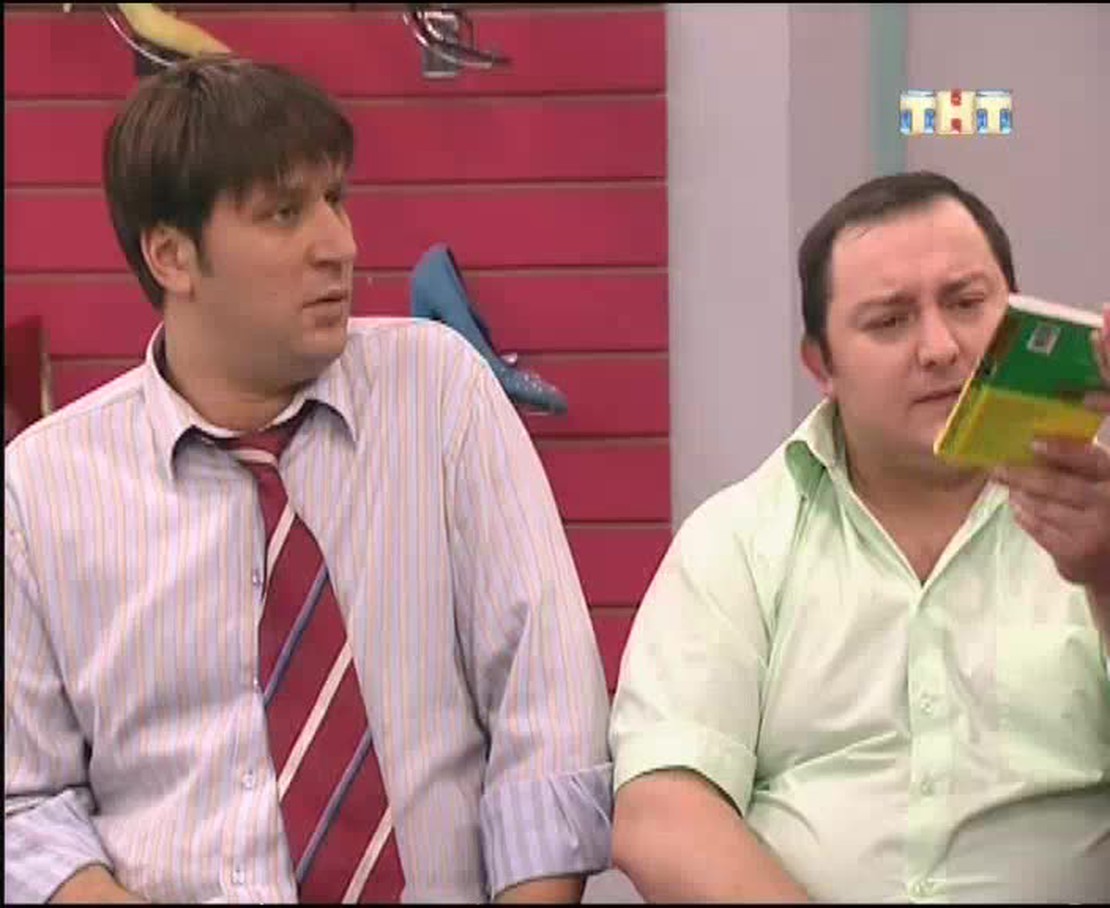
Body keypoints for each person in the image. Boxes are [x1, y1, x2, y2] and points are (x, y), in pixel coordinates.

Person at [4, 56, 613, 904]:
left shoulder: (441, 393)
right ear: (173, 256)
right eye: (284, 213)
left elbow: (549, 717)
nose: (339, 246)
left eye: (336, 199)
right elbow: (23, 801)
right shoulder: (41, 488)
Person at [608, 171, 1110, 902]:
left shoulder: (1099, 511)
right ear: (822, 365)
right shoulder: (737, 541)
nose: (939, 347)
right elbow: (661, 814)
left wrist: (1105, 580)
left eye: (967, 304)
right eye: (890, 321)